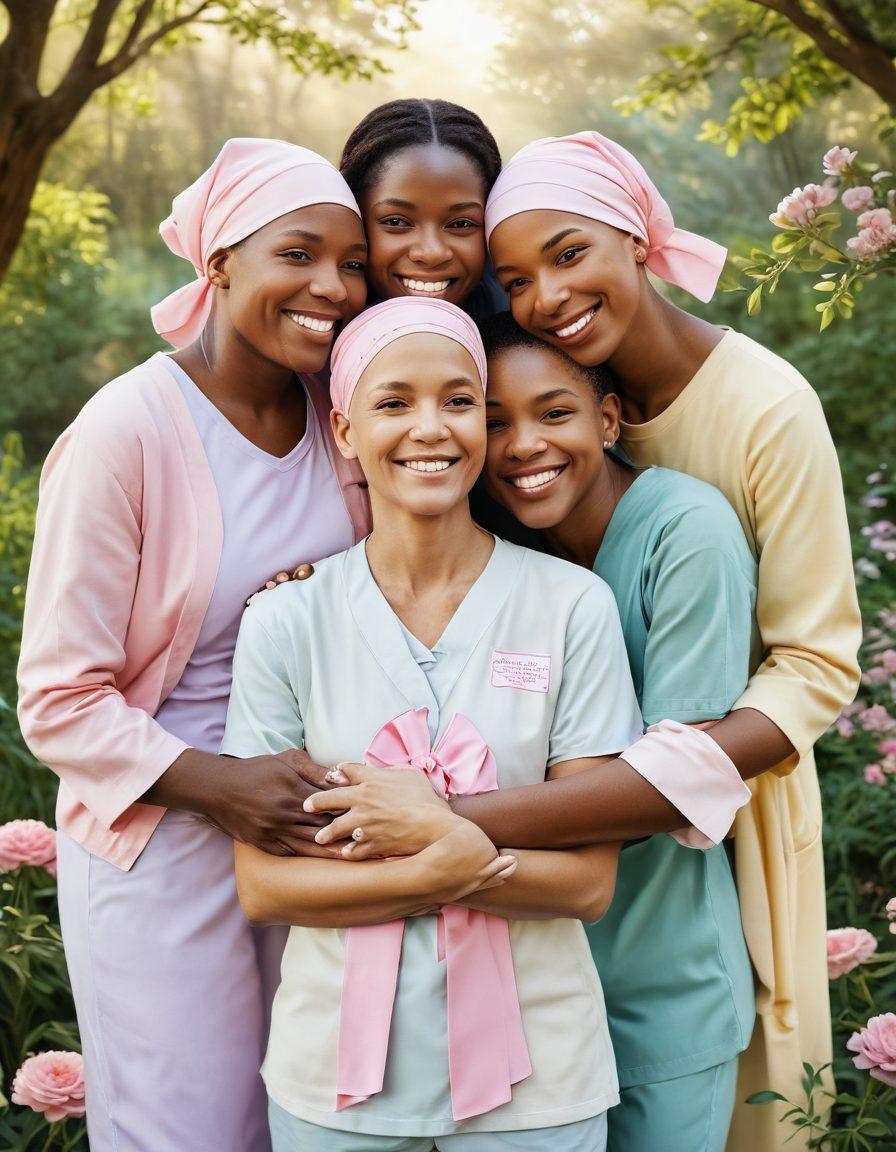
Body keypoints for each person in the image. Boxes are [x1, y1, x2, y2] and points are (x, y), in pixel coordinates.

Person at [478, 131, 863, 1152]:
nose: (546, 294)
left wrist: (657, 781)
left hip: (718, 799)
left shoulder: (760, 413)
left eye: (569, 254)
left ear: (638, 240)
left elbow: (815, 663)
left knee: (738, 1091)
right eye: (514, 278)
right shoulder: (529, 432)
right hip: (564, 880)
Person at [221, 297, 645, 1150]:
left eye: (459, 402)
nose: (432, 429)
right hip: (332, 1085)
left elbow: (588, 884)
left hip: (540, 1084)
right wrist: (464, 861)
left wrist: (429, 840)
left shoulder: (571, 608)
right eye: (393, 404)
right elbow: (267, 887)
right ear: (344, 431)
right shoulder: (286, 620)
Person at [16, 138, 371, 1152]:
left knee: (305, 1124)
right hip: (166, 843)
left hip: (309, 834)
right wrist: (219, 787)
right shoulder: (126, 431)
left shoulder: (337, 414)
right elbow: (58, 698)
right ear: (218, 263)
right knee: (194, 1131)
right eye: (297, 255)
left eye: (350, 264)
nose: (332, 287)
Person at [339, 98, 506, 320]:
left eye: (461, 224)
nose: (431, 253)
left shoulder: (526, 329)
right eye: (396, 222)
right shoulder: (310, 338)